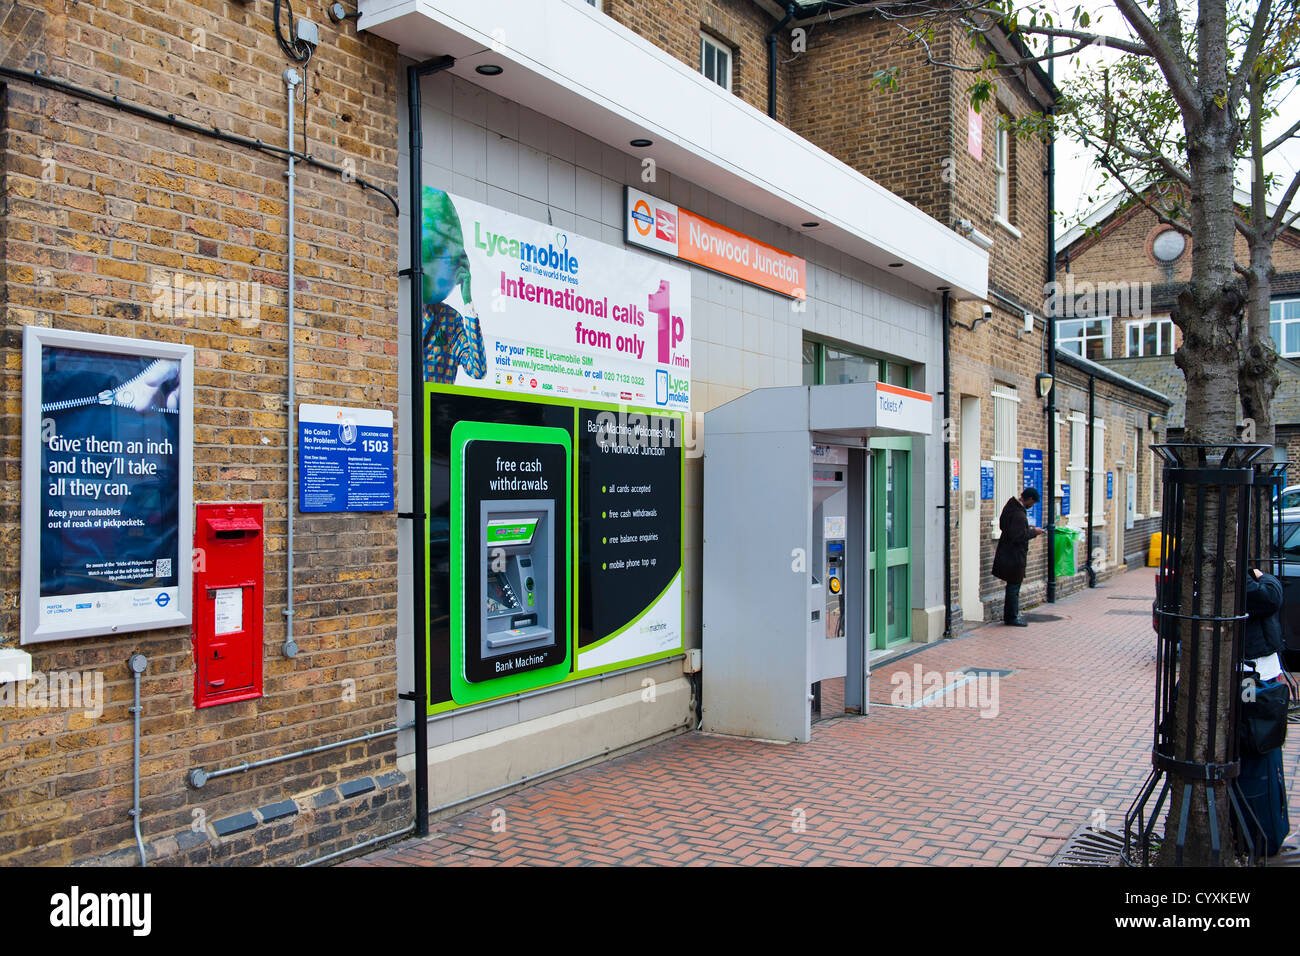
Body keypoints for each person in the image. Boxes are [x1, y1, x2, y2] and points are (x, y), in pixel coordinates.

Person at [992, 487, 1044, 627]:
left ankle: (1010, 616)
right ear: (1029, 499)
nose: (1032, 505)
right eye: (1032, 503)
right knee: (1014, 587)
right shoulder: (1019, 515)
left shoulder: (1011, 508)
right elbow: (1019, 536)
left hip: (1006, 553)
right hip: (1014, 556)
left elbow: (1006, 526)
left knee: (1012, 586)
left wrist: (1026, 527)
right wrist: (1034, 532)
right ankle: (1011, 617)